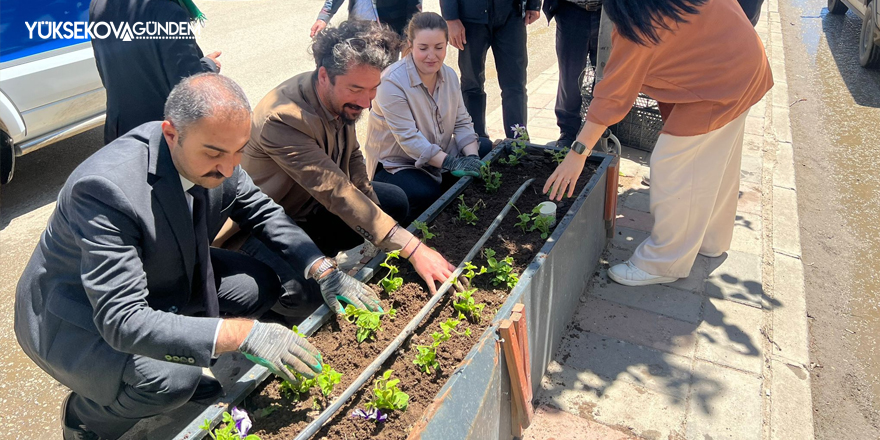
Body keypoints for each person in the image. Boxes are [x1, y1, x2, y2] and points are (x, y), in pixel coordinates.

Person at [14, 74, 381, 440]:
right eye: (215, 154)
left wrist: (323, 270)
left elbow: (264, 213)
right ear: (172, 134)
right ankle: (87, 418)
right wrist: (243, 334)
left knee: (260, 285)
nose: (228, 167)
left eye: (239, 151)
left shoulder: (216, 147)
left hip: (159, 274)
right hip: (80, 315)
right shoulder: (105, 190)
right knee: (170, 381)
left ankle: (187, 354)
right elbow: (121, 319)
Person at [216, 20, 458, 311]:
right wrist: (413, 248)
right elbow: (336, 190)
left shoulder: (338, 97)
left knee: (391, 204)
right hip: (262, 225)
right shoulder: (283, 118)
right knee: (306, 292)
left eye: (373, 89)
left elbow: (354, 157)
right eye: (356, 89)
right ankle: (271, 304)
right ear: (323, 76)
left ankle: (316, 254)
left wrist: (380, 222)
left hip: (307, 206)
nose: (366, 102)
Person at [544, 0, 772, 287]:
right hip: (741, 65)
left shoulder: (637, 16)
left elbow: (614, 94)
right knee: (717, 163)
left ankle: (664, 262)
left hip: (719, 82)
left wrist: (577, 153)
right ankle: (711, 240)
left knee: (671, 165)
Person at [364, 12, 493, 219]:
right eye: (423, 48)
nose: (431, 56)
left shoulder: (449, 75)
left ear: (446, 45)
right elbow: (409, 140)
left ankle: (452, 203)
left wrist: (471, 158)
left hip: (438, 152)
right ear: (410, 45)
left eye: (438, 47)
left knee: (484, 148)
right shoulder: (391, 82)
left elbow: (462, 121)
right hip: (397, 162)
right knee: (425, 193)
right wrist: (453, 164)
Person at [90, 0, 222, 145]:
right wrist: (209, 65)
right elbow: (189, 87)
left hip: (120, 134)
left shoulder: (99, 5)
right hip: (160, 139)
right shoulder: (167, 10)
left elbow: (106, 75)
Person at [439, 0, 542, 139]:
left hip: (511, 14)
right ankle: (475, 140)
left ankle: (518, 142)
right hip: (470, 18)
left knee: (515, 84)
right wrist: (451, 18)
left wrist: (533, 4)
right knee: (471, 83)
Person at [542, 0, 602, 149]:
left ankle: (600, 130)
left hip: (609, 14)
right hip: (571, 11)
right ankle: (567, 132)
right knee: (570, 78)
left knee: (607, 79)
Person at [310, 0, 421, 37]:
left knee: (386, 75)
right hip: (356, 27)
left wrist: (410, 33)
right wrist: (323, 18)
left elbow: (414, 4)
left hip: (388, 29)